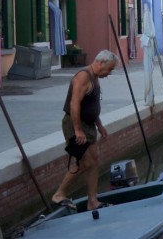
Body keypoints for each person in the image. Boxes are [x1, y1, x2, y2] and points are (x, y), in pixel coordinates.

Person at [51, 49, 119, 211]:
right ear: (100, 63)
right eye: (109, 69)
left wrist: (99, 125)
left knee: (94, 162)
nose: (109, 73)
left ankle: (92, 201)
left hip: (89, 125)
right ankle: (59, 194)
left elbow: (91, 105)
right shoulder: (83, 76)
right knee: (85, 163)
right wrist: (77, 130)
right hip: (76, 125)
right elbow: (75, 104)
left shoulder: (95, 77)